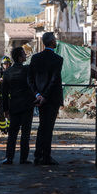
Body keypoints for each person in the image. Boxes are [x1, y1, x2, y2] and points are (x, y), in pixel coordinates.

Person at [28, 32, 65, 165]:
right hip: (51, 98)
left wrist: (37, 94)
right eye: (55, 39)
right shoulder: (58, 59)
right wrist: (45, 96)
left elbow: (30, 78)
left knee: (42, 126)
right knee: (48, 128)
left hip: (39, 98)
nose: (56, 41)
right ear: (51, 42)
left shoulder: (35, 58)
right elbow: (54, 80)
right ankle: (46, 156)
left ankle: (38, 155)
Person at [0, 46, 34, 164]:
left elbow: (4, 92)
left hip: (14, 106)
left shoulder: (7, 72)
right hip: (27, 106)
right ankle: (23, 158)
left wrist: (6, 109)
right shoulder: (27, 70)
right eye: (24, 54)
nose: (25, 55)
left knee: (12, 134)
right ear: (19, 57)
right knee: (25, 134)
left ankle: (9, 158)